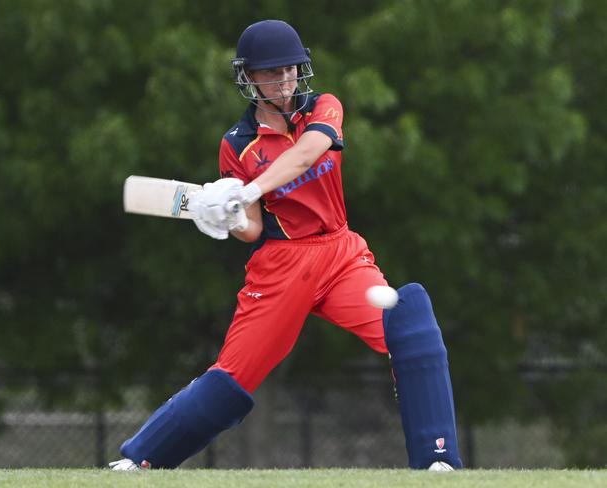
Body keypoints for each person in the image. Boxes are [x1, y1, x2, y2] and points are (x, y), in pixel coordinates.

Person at [110, 19, 462, 471]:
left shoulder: (324, 108)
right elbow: (253, 230)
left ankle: (439, 464)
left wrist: (249, 191)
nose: (285, 80)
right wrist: (222, 215)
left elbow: (309, 152)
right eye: (273, 73)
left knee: (411, 326)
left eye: (291, 69)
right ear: (249, 78)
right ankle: (141, 460)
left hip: (340, 254)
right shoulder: (237, 145)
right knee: (231, 380)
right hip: (279, 268)